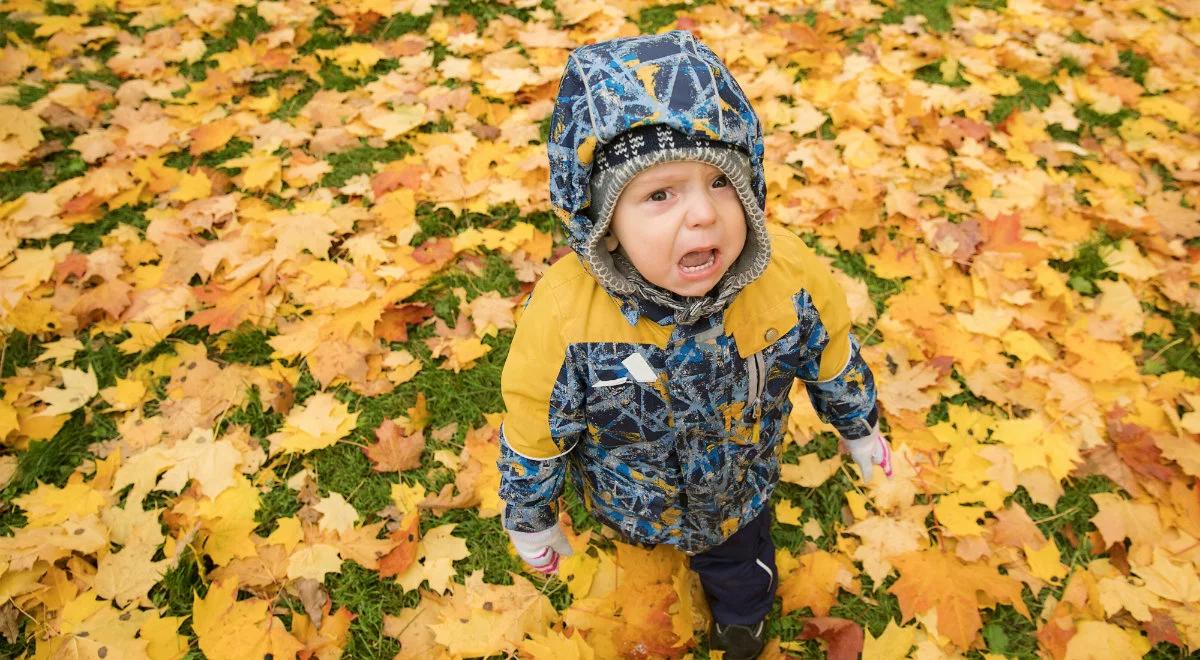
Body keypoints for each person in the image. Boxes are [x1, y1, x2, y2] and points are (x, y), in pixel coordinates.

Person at [496, 30, 893, 659]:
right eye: (660, 194)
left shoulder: (785, 278)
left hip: (740, 486)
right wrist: (531, 514)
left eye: (720, 182)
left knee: (739, 562)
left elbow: (832, 355)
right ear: (605, 226)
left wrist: (859, 424)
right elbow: (533, 423)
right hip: (630, 489)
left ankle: (742, 614)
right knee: (643, 561)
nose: (704, 214)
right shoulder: (568, 316)